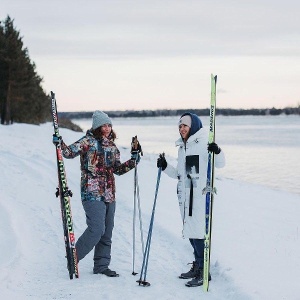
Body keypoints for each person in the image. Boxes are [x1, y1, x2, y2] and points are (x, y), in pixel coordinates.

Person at [53, 110, 142, 277]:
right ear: (96, 126)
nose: (107, 128)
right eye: (103, 125)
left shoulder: (112, 146)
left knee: (107, 231)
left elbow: (118, 170)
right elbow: (68, 153)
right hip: (91, 192)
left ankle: (101, 266)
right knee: (96, 229)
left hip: (109, 193)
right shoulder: (88, 141)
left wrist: (133, 161)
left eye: (109, 125)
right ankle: (73, 258)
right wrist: (60, 143)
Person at [157, 112, 225, 287]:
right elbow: (181, 174)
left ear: (193, 126)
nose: (182, 129)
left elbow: (220, 163)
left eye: (185, 125)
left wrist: (217, 151)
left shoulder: (203, 142)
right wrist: (165, 167)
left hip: (199, 196)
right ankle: (197, 266)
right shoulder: (183, 147)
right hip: (186, 197)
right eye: (179, 126)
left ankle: (204, 271)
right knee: (191, 233)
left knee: (199, 234)